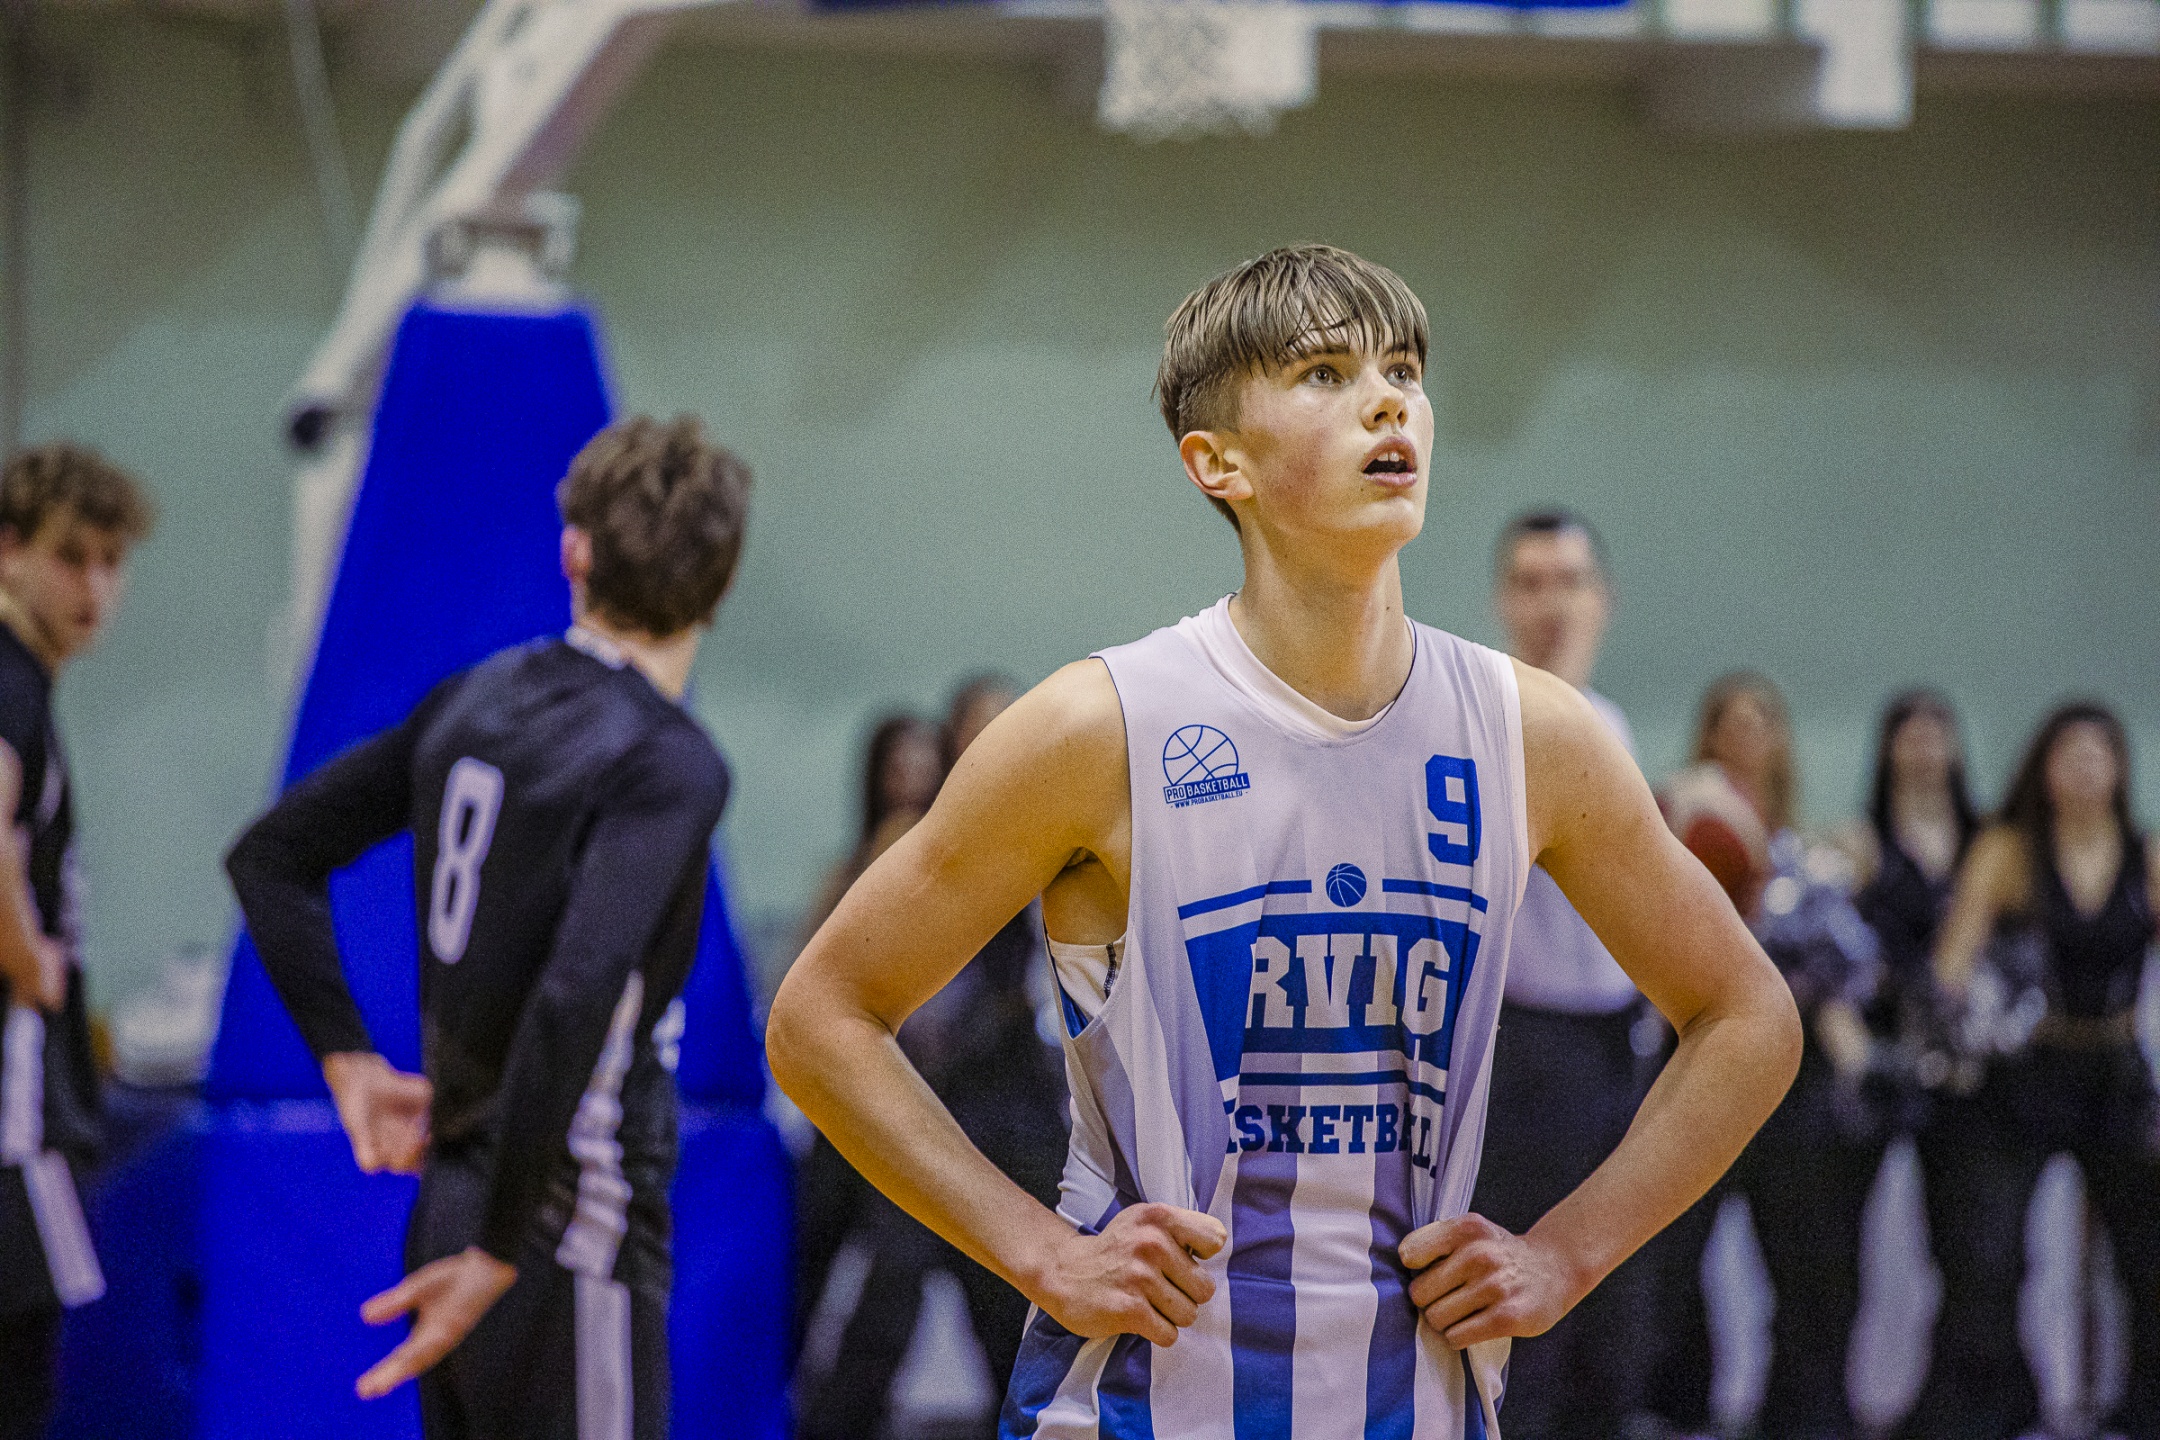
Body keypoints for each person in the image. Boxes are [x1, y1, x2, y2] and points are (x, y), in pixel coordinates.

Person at [766, 243, 1801, 1439]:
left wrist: (1565, 1257)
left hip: (1415, 1403)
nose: (1387, 401)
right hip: (1143, 1406)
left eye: (1403, 371)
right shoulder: (1096, 727)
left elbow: (1748, 1017)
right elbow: (821, 1016)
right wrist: (1041, 1253)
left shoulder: (1533, 734)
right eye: (1324, 374)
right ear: (1219, 462)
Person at [225, 415, 749, 1440]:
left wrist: (348, 1064)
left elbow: (270, 858)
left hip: (455, 1208)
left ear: (573, 553)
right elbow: (575, 991)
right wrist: (503, 1249)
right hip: (564, 1221)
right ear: (720, 587)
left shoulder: (476, 698)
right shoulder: (669, 761)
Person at [795, 675, 1069, 1440]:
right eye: (979, 726)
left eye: (1008, 723)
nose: (994, 740)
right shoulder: (922, 839)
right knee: (889, 1300)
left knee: (1009, 1317)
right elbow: (836, 983)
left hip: (1010, 1110)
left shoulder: (1042, 826)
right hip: (927, 1105)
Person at [1647, 673, 1884, 1440]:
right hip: (1695, 1057)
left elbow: (1853, 967)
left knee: (1810, 1264)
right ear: (1708, 733)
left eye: (1761, 721)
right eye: (1730, 720)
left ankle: (1801, 1419)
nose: (1746, 734)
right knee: (1667, 1254)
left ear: (1781, 739)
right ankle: (1673, 1409)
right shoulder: (1677, 821)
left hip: (1791, 1071)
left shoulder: (1815, 852)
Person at [1468, 509, 1655, 1440]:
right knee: (1526, 1289)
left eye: (1569, 582)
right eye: (1530, 583)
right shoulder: (1484, 724)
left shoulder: (1608, 725)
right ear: (1504, 601)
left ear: (1602, 600)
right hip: (1522, 1047)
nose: (1551, 604)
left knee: (1617, 1288)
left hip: (1618, 1042)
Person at [1924, 702, 2160, 1440]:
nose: (2085, 768)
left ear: (2119, 767)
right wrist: (1965, 1016)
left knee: (2147, 1253)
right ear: (2045, 767)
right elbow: (1952, 962)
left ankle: (2143, 1407)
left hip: (2115, 1070)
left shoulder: (2146, 854)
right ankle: (1998, 1407)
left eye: (2099, 754)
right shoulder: (2009, 848)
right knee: (1989, 1253)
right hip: (2028, 1068)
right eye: (2070, 754)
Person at [0, 443, 154, 1440]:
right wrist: (28, 959)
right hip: (10, 1125)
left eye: (110, 561)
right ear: (8, 551)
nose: (93, 588)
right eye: (69, 557)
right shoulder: (11, 687)